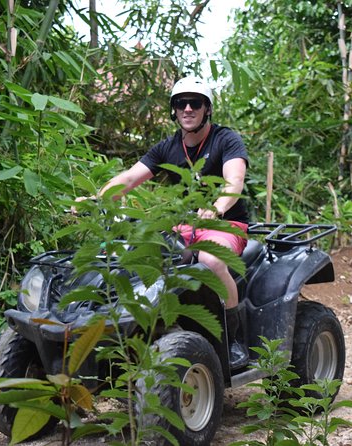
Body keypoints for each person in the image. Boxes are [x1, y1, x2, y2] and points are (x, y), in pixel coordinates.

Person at [90, 75, 250, 369]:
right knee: (137, 255)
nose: (187, 109)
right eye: (180, 103)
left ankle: (232, 338)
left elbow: (234, 181)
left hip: (226, 224)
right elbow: (128, 178)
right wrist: (96, 197)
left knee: (212, 261)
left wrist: (217, 207)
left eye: (195, 103)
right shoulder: (167, 147)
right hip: (183, 226)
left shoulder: (226, 139)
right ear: (174, 110)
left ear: (207, 109)